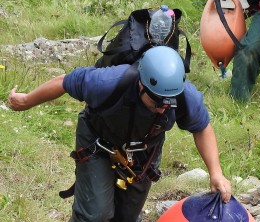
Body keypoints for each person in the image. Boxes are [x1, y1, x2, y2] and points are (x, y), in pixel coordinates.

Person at [8, 46, 232, 222]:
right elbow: (65, 82)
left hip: (144, 151)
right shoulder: (107, 82)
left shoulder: (183, 95)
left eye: (169, 101)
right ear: (141, 85)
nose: (164, 107)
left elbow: (201, 127)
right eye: (157, 100)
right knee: (95, 214)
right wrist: (26, 101)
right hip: (98, 141)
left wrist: (216, 173)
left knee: (126, 217)